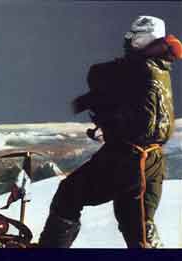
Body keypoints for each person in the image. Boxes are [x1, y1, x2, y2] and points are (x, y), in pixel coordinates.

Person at [39, 16, 182, 248]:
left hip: (133, 160)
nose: (132, 39)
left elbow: (99, 74)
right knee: (135, 227)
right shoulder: (155, 66)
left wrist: (96, 106)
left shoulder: (141, 68)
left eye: (138, 36)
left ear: (149, 39)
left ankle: (48, 259)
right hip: (133, 158)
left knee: (136, 228)